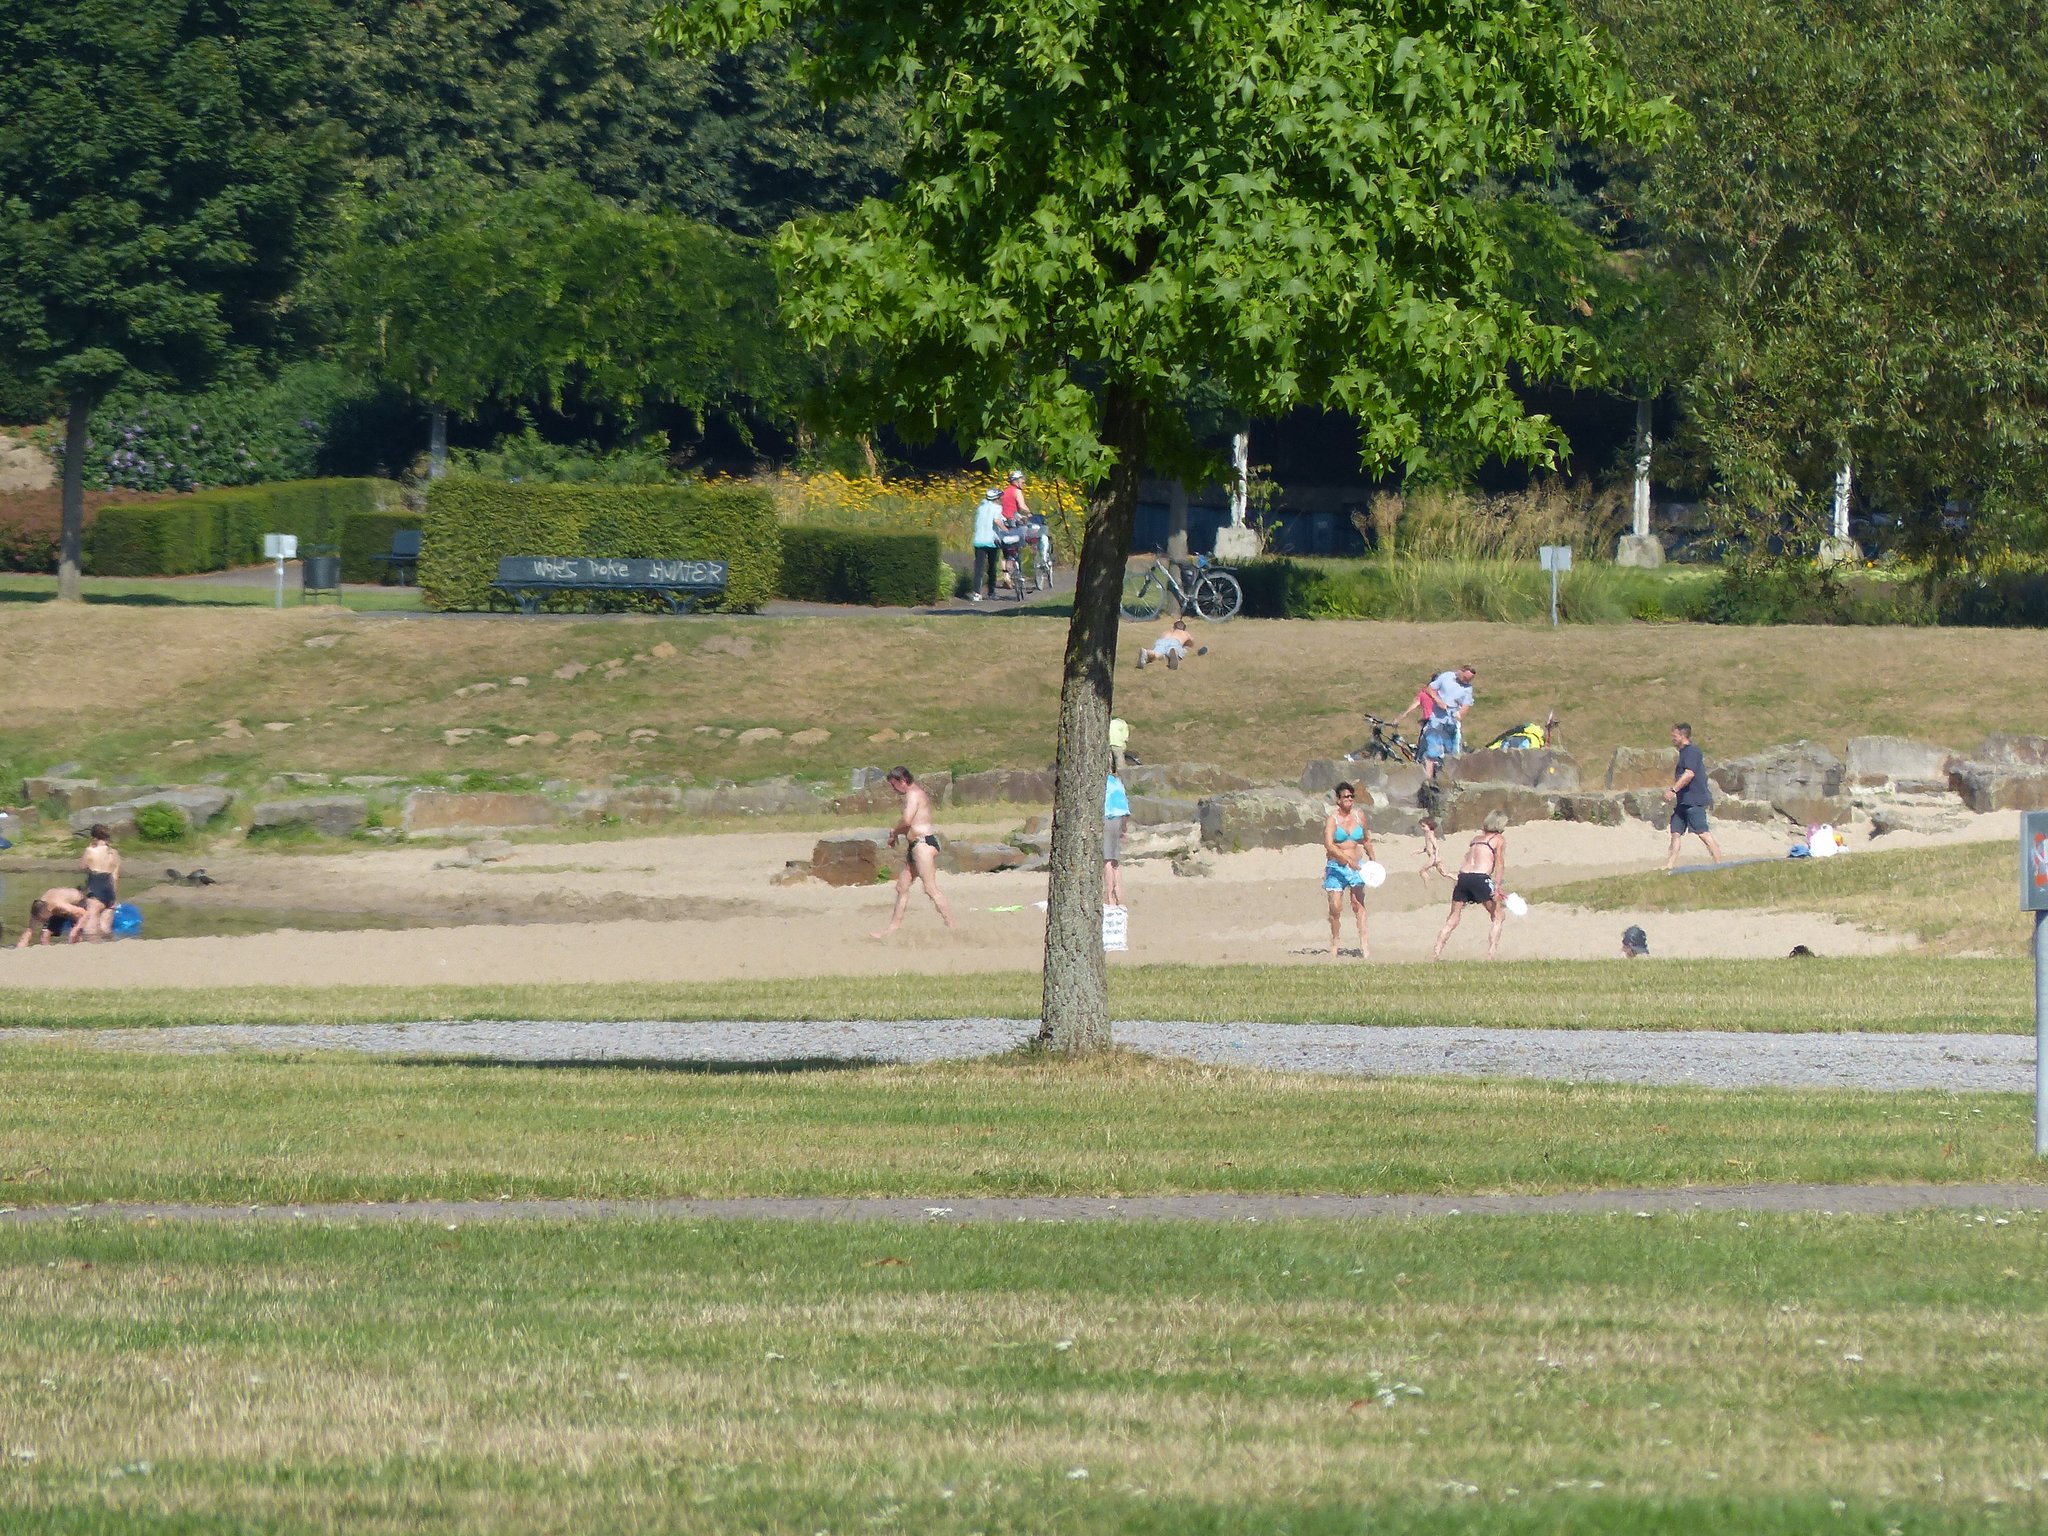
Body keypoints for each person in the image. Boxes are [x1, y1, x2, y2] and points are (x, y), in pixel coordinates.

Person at [871, 767, 956, 937]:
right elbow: (911, 824)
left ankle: (953, 927)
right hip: (915, 845)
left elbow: (908, 820)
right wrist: (896, 835)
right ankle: (892, 929)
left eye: (894, 785)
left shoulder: (913, 794)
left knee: (930, 889)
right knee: (902, 886)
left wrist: (894, 832)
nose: (894, 790)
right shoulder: (914, 794)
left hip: (923, 845)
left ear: (902, 781)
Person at [1431, 810, 1508, 960]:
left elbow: (1468, 860)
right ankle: (1491, 954)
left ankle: (1436, 951)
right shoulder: (1498, 839)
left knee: (1453, 917)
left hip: (1464, 877)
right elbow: (1499, 863)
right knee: (1498, 916)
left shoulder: (1476, 839)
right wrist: (1497, 885)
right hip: (1480, 878)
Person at [1322, 781, 1376, 959]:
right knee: (1335, 908)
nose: (1350, 799)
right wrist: (1345, 860)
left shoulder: (1359, 816)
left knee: (1358, 904)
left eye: (1352, 796)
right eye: (1346, 796)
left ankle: (1364, 944)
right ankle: (1335, 940)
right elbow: (1329, 845)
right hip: (1337, 867)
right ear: (1338, 800)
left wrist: (1373, 861)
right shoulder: (1333, 820)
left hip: (1357, 866)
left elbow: (1366, 839)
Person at [1663, 723, 1725, 869]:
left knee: (1703, 833)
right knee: (1675, 832)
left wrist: (1673, 790)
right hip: (1682, 801)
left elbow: (1689, 774)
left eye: (1675, 736)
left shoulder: (1692, 751)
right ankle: (1669, 865)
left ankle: (1720, 864)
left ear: (1683, 736)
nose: (1672, 738)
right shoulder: (1683, 752)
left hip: (1694, 800)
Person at [1419, 664, 1477, 779]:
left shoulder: (1467, 689)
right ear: (1460, 671)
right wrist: (1438, 701)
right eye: (1465, 678)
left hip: (1450, 723)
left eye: (1468, 680)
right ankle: (1428, 779)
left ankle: (1445, 779)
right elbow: (1430, 689)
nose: (1465, 682)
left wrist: (1459, 714)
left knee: (1449, 754)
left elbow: (1466, 705)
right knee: (1432, 751)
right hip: (1436, 720)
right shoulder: (1446, 677)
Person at [76, 822, 120, 943]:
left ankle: (93, 949)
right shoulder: (114, 853)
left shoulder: (90, 850)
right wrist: (114, 896)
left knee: (90, 929)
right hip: (109, 889)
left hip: (96, 886)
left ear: (94, 836)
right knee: (105, 928)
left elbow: (82, 867)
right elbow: (115, 876)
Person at [15, 888, 90, 947]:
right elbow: (28, 932)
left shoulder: (60, 905)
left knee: (74, 935)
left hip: (77, 903)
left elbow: (85, 914)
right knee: (44, 937)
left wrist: (76, 929)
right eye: (40, 919)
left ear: (46, 910)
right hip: (56, 911)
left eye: (42, 919)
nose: (41, 921)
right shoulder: (39, 908)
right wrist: (20, 947)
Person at [1103, 761, 1131, 907]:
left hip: (1108, 817)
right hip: (1120, 818)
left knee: (1107, 859)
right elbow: (1125, 806)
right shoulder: (1117, 783)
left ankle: (1109, 895)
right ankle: (1119, 891)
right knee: (1115, 860)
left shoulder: (1102, 784)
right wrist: (1124, 830)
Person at [969, 486, 1003, 601]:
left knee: (979, 568)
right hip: (992, 541)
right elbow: (997, 521)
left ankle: (977, 593)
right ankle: (991, 591)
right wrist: (1007, 530)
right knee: (992, 567)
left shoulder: (981, 507)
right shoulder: (997, 508)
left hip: (978, 540)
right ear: (996, 498)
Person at [1137, 616, 1207, 670]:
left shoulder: (1167, 632)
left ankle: (1146, 653)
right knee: (1182, 649)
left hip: (1162, 641)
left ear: (1174, 626)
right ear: (1183, 628)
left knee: (1156, 653)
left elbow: (1162, 636)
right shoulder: (1185, 633)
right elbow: (1192, 643)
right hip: (1175, 642)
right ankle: (1174, 653)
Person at [1417, 812, 1448, 885]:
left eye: (1424, 826)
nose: (1422, 828)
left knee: (1422, 871)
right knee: (1444, 873)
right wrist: (1419, 851)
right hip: (1433, 856)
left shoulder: (1430, 834)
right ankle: (1457, 878)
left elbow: (1436, 847)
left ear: (1429, 826)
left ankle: (1428, 884)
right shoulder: (1427, 834)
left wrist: (1436, 857)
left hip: (1433, 857)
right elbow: (1428, 846)